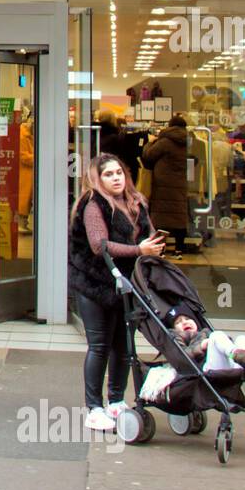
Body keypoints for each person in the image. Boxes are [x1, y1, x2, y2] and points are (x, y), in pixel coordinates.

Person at [68, 153, 164, 431]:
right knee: (99, 346)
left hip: (128, 284)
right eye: (109, 174)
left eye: (119, 172)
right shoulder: (92, 204)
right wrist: (139, 250)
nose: (116, 178)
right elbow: (99, 245)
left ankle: (117, 400)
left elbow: (149, 235)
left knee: (124, 346)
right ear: (98, 179)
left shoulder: (137, 201)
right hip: (95, 285)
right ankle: (94, 407)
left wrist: (153, 247)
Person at [169, 311, 245, 379]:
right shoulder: (178, 336)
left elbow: (224, 344)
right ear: (174, 329)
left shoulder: (205, 332)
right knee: (216, 336)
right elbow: (181, 355)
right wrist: (201, 346)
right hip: (207, 368)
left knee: (241, 339)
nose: (184, 322)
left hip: (231, 362)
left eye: (188, 319)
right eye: (178, 322)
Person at [142, 115, 190, 259]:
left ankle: (160, 249)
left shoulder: (165, 142)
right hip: (180, 183)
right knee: (179, 215)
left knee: (161, 218)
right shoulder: (188, 142)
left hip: (162, 183)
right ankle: (179, 249)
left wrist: (150, 143)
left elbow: (148, 156)